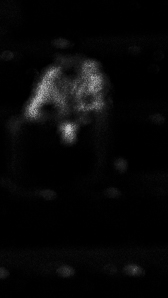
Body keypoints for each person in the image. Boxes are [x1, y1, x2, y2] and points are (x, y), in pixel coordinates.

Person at [10, 40, 112, 189]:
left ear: (78, 56)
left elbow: (100, 106)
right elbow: (31, 110)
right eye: (61, 55)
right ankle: (23, 182)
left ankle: (98, 179)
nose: (64, 59)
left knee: (103, 119)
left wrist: (75, 114)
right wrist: (56, 117)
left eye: (69, 55)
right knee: (17, 125)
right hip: (57, 125)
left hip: (85, 127)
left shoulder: (92, 72)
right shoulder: (51, 74)